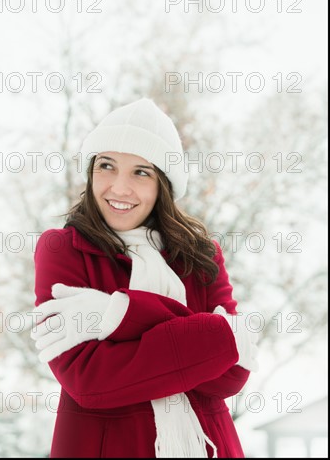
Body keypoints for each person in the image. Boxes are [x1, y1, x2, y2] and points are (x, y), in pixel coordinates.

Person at [30, 97, 259, 459]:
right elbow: (87, 380)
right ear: (90, 171)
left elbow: (232, 371)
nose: (119, 188)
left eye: (141, 171)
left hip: (208, 446)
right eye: (106, 165)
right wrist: (206, 335)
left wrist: (117, 315)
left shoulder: (202, 255)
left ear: (162, 184)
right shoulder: (62, 250)